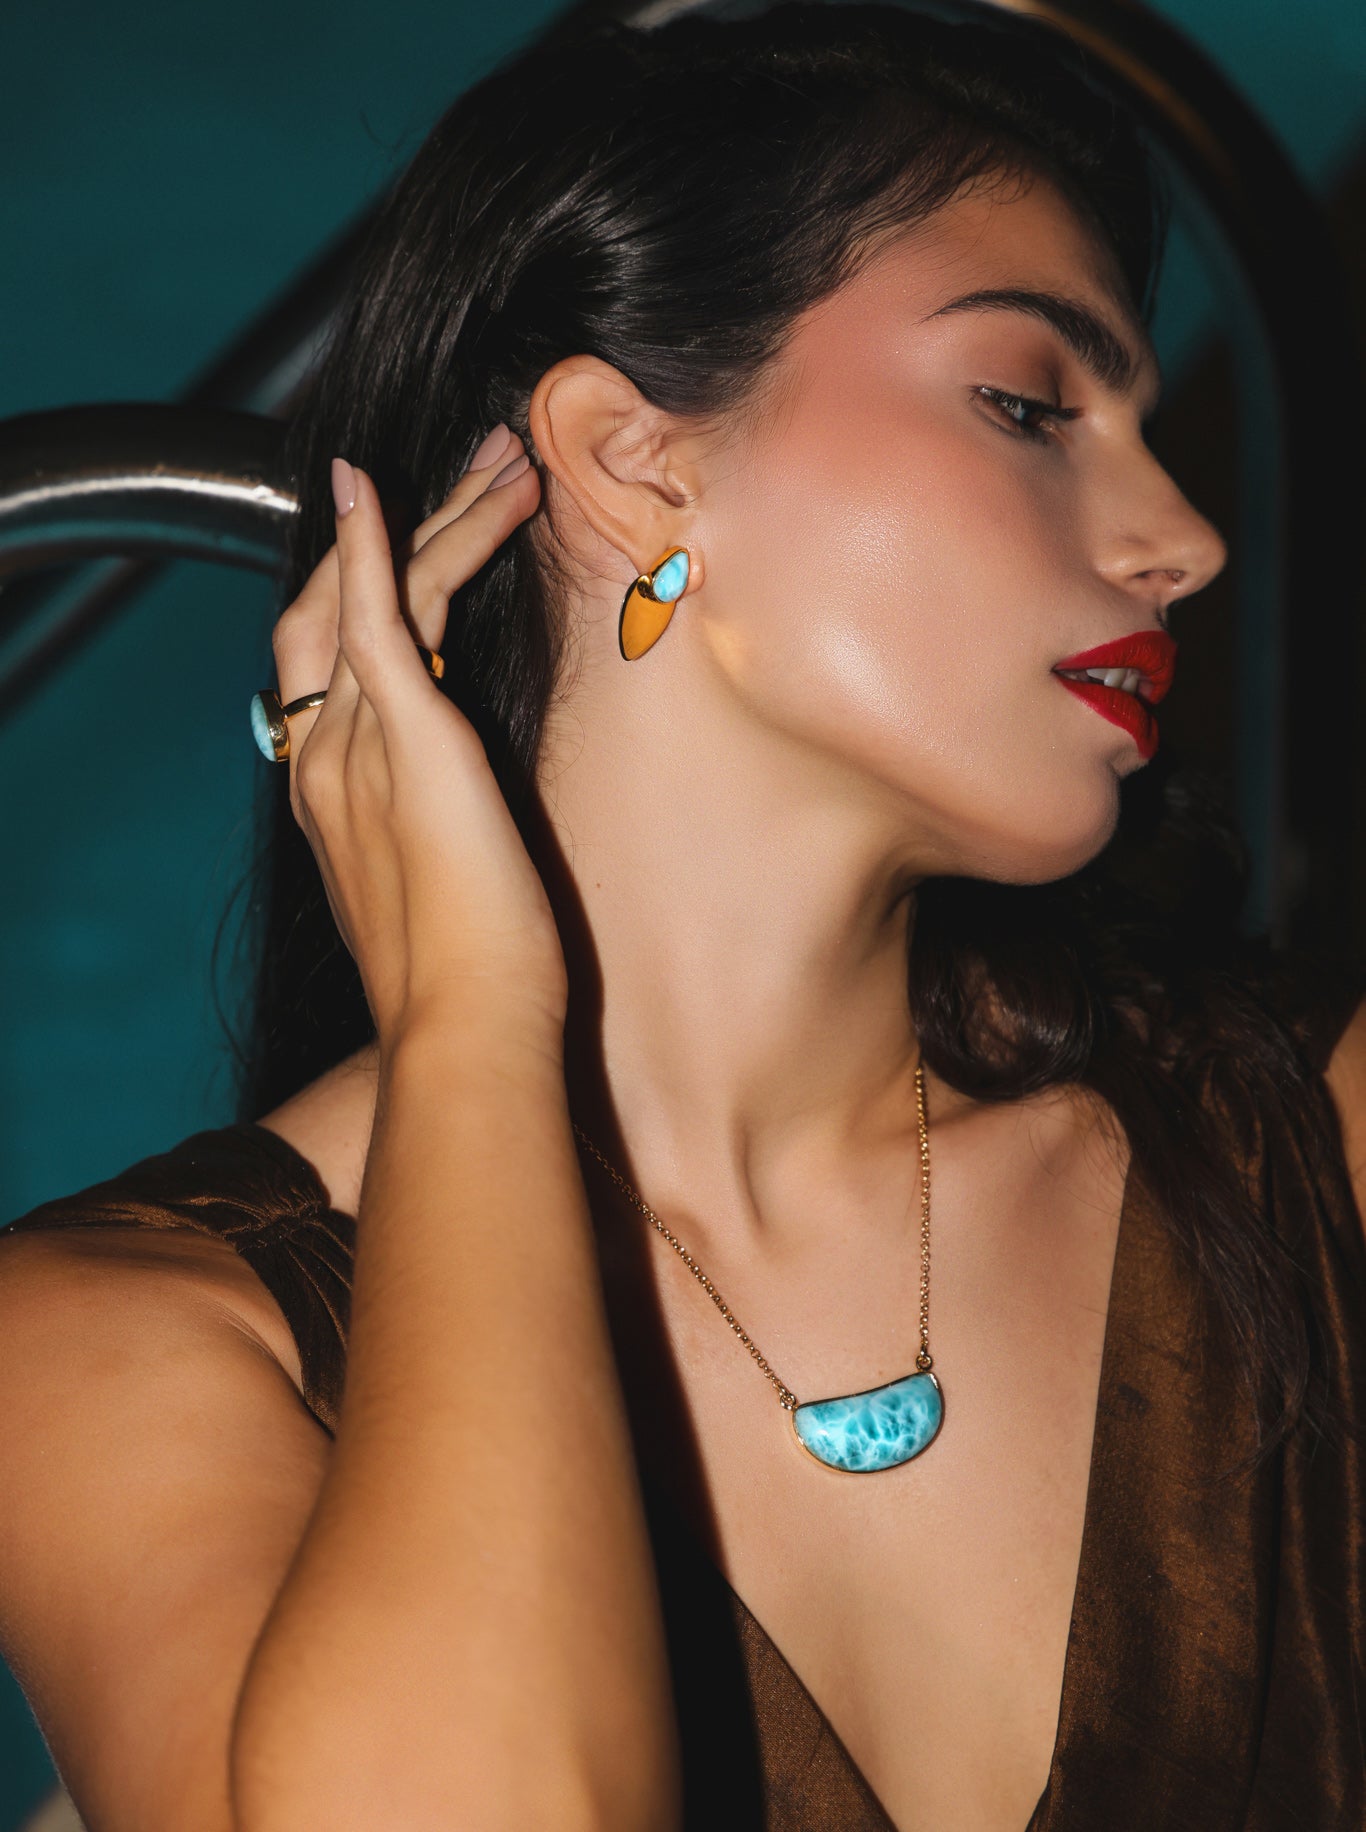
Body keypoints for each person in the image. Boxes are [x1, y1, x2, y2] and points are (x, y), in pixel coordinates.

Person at [1, 5, 1363, 1828]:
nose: (1181, 536)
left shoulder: (1312, 1147)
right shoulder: (108, 1341)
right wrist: (469, 1015)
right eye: (1032, 404)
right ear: (633, 457)